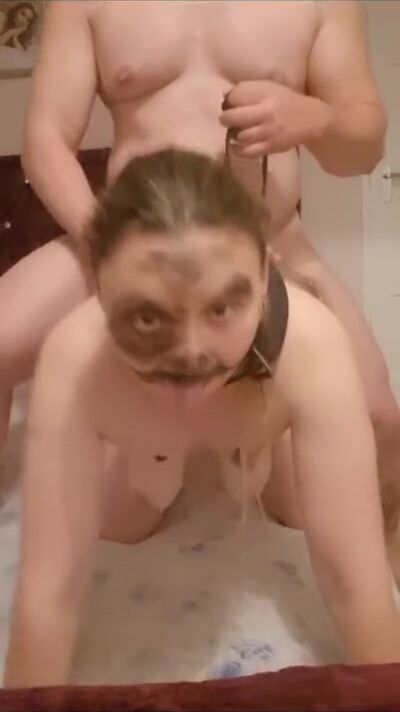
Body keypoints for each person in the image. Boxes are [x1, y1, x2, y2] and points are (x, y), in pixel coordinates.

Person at [5, 149, 400, 688]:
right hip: (145, 443)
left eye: (221, 309)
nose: (191, 351)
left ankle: (247, 453)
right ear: (98, 284)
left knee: (292, 510)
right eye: (149, 317)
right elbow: (49, 595)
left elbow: (356, 582)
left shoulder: (311, 344)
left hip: (258, 413)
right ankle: (162, 456)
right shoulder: (73, 360)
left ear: (264, 273)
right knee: (123, 522)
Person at [0, 1, 398, 527]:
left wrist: (316, 118)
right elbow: (46, 140)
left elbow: (364, 150)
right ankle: (162, 458)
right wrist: (107, 249)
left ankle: (255, 451)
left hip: (268, 242)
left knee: (380, 423)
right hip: (128, 242)